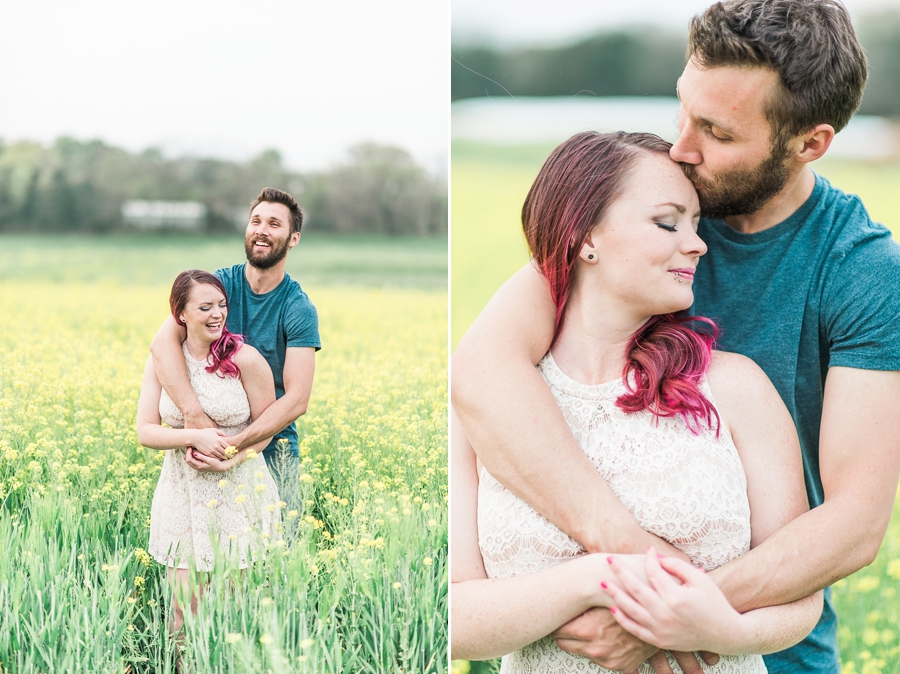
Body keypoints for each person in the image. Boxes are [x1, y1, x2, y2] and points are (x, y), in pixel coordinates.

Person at [451, 1, 900, 673]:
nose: (682, 148)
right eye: (681, 111)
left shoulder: (862, 273)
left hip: (765, 643)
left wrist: (662, 617)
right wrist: (628, 560)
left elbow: (855, 523)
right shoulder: (647, 213)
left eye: (716, 131)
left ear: (810, 143)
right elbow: (482, 370)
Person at [451, 130, 822, 673]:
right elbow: (455, 617)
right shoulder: (488, 404)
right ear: (586, 236)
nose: (698, 244)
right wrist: (597, 578)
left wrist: (724, 627)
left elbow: (800, 593)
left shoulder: (736, 388)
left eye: (697, 225)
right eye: (668, 223)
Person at [150, 187, 320, 505]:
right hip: (204, 435)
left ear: (293, 238)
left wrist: (234, 445)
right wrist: (195, 416)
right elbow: (162, 343)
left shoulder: (298, 308)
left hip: (272, 446)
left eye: (274, 224)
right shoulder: (218, 286)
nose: (261, 230)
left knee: (279, 548)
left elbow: (297, 400)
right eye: (255, 221)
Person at [138, 270, 280, 637]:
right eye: (205, 307)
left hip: (238, 491)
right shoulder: (163, 363)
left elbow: (267, 428)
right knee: (183, 615)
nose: (217, 314)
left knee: (236, 614)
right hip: (181, 494)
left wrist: (235, 456)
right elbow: (146, 431)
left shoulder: (246, 359)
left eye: (221, 305)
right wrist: (194, 437)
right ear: (181, 314)